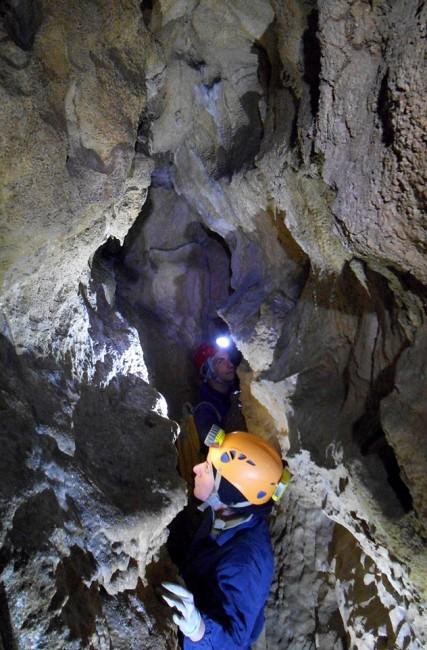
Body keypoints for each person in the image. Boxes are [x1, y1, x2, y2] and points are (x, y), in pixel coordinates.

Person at [162, 429, 291, 649]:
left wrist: (198, 631)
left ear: (229, 491)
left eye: (208, 469)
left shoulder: (245, 562)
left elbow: (232, 642)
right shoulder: (223, 513)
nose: (196, 469)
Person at [192, 343, 243, 453]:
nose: (230, 365)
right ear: (208, 371)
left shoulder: (239, 389)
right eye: (220, 361)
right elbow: (211, 438)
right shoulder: (206, 408)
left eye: (228, 359)